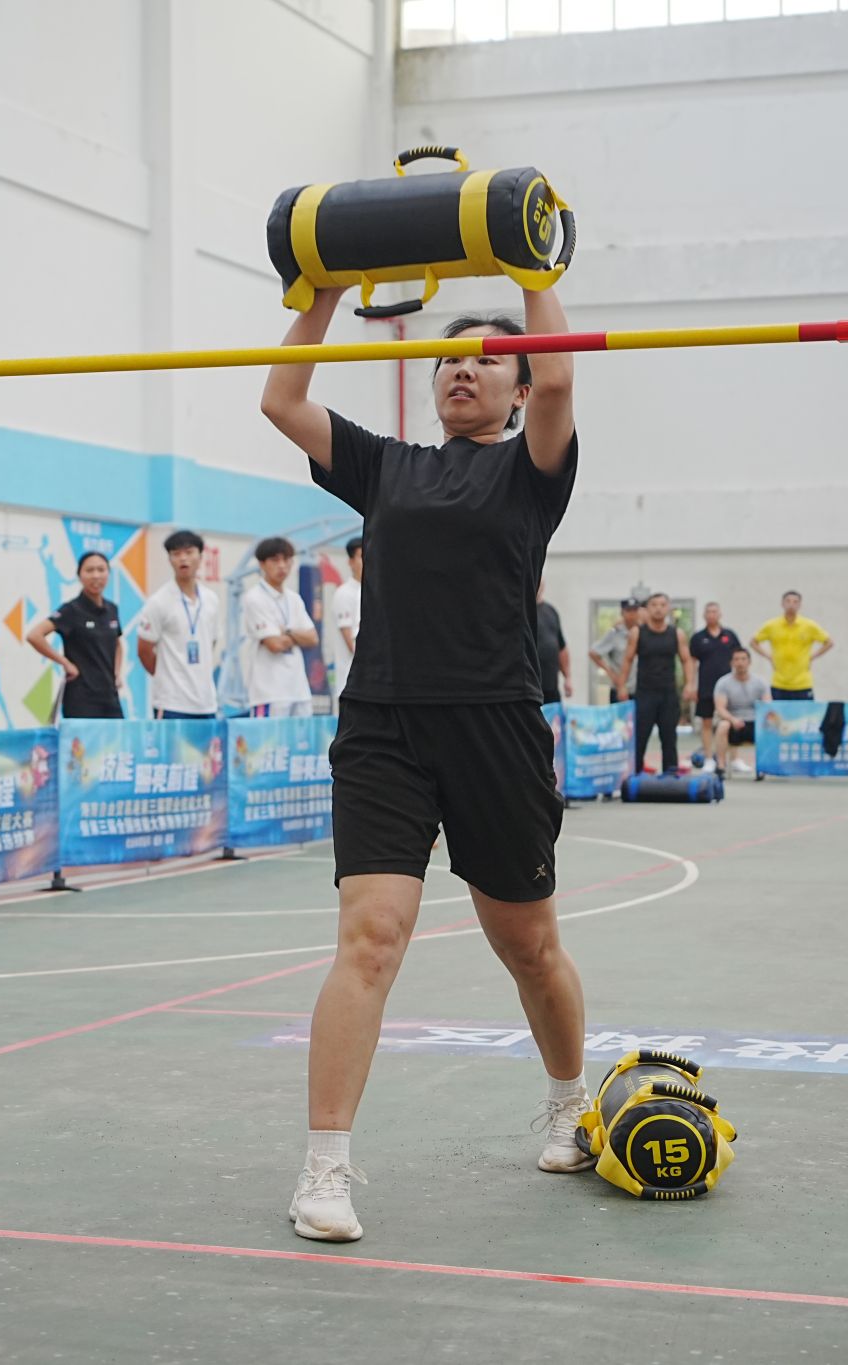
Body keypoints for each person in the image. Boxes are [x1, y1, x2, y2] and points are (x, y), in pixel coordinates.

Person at [261, 285, 582, 1244]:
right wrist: (318, 294)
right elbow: (282, 401)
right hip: (385, 726)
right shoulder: (386, 466)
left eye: (488, 360)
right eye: (450, 359)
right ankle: (324, 1168)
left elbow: (562, 375)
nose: (463, 370)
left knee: (529, 947)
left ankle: (569, 1103)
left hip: (495, 727)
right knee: (370, 938)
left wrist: (533, 273)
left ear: (518, 392)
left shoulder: (532, 470)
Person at [28, 550, 125, 719]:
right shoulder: (72, 610)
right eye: (89, 570)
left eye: (101, 570)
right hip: (82, 698)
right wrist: (65, 663)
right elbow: (34, 636)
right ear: (79, 575)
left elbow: (117, 644)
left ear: (108, 573)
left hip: (110, 696)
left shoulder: (112, 609)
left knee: (118, 736)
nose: (96, 576)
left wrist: (117, 673)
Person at [135, 528, 220, 719]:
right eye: (176, 554)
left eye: (189, 552)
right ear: (170, 559)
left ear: (200, 556)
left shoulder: (211, 599)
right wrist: (167, 677)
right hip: (171, 704)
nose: (183, 559)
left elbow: (211, 643)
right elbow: (144, 650)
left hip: (206, 703)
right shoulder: (158, 602)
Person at [616, 592, 695, 774]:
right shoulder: (637, 633)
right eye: (654, 605)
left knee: (669, 737)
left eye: (662, 605)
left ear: (668, 608)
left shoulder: (677, 634)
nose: (658, 609)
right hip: (645, 694)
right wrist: (622, 686)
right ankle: (634, 776)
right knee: (640, 737)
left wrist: (690, 684)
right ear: (647, 609)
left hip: (668, 694)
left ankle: (670, 776)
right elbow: (627, 660)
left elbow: (686, 660)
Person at [241, 535, 316, 719]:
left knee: (304, 738)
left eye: (286, 559)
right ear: (262, 564)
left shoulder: (294, 598)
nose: (282, 565)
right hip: (269, 693)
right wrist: (297, 637)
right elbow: (274, 644)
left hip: (299, 691)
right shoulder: (254, 598)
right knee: (267, 739)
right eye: (275, 560)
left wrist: (287, 632)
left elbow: (313, 639)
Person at [687, 601, 741, 770]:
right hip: (706, 686)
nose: (712, 615)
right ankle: (709, 758)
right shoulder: (698, 638)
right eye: (708, 612)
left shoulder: (730, 635)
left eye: (714, 611)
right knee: (707, 723)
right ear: (704, 615)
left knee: (731, 722)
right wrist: (691, 685)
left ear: (720, 614)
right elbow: (691, 662)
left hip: (728, 688)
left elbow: (739, 659)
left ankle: (734, 759)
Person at [751, 590, 831, 700]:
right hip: (779, 682)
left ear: (800, 605)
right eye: (788, 601)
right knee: (777, 711)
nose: (791, 605)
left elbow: (829, 642)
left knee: (805, 711)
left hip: (803, 683)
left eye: (795, 602)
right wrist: (769, 656)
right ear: (782, 604)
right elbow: (754, 642)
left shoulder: (809, 626)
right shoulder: (772, 625)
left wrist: (812, 657)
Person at [711, 648, 767, 775]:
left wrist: (760, 721)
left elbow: (767, 706)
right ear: (731, 662)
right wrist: (733, 720)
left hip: (754, 722)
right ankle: (720, 765)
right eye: (736, 659)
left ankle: (762, 766)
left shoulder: (760, 682)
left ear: (749, 662)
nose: (740, 663)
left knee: (767, 727)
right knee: (722, 725)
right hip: (733, 723)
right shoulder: (723, 683)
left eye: (743, 659)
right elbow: (720, 708)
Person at [327, 536, 364, 707]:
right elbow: (352, 644)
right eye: (361, 556)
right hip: (350, 685)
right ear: (350, 561)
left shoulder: (373, 592)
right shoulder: (344, 594)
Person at [589, 598, 640, 702]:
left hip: (641, 689)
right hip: (620, 689)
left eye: (635, 610)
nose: (632, 614)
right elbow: (593, 653)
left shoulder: (644, 632)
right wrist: (611, 673)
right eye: (628, 611)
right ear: (622, 613)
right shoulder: (614, 634)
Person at [535, 579, 571, 705]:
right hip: (531, 686)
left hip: (551, 686)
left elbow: (562, 647)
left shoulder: (551, 611)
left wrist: (568, 678)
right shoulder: (524, 611)